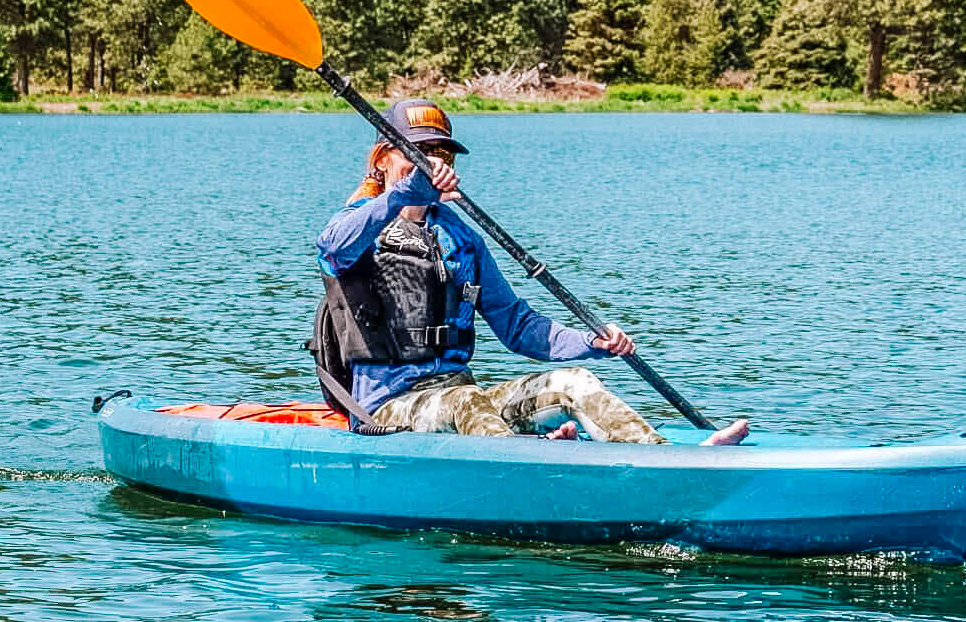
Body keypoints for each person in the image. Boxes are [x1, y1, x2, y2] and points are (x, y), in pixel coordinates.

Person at [311, 99, 748, 444]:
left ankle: (666, 463)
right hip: (387, 408)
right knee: (466, 403)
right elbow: (331, 246)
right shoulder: (358, 224)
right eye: (417, 151)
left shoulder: (461, 237)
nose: (430, 159)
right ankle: (528, 465)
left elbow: (517, 325)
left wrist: (590, 343)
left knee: (571, 382)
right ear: (382, 159)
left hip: (463, 395)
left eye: (439, 151)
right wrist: (404, 193)